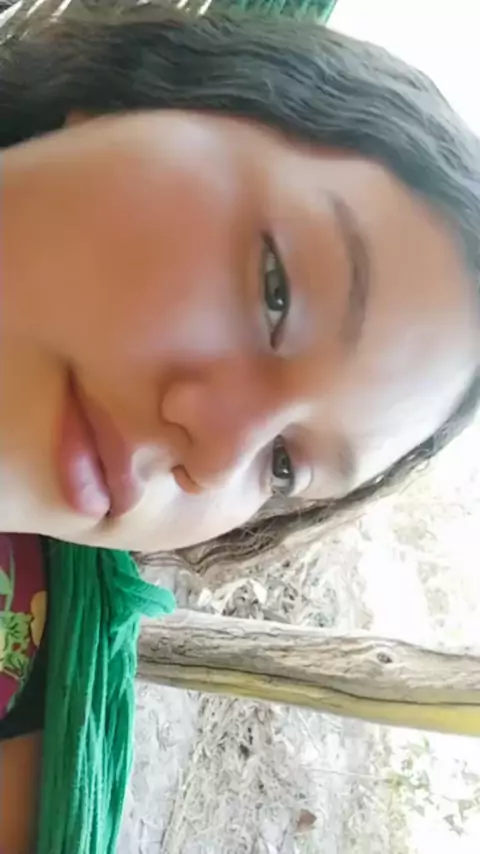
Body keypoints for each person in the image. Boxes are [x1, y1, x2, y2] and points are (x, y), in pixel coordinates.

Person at [1, 3, 480, 851]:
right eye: (275, 290)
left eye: (284, 465)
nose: (217, 457)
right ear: (132, 97)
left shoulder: (26, 658)